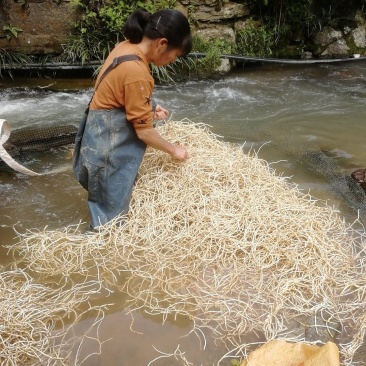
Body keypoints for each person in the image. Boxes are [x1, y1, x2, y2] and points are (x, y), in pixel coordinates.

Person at [73, 8, 192, 229]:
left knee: (103, 207)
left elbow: (118, 91)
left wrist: (151, 106)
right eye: (174, 57)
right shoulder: (138, 72)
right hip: (107, 153)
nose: (171, 62)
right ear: (162, 43)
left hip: (93, 142)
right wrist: (174, 149)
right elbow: (144, 132)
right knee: (108, 225)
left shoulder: (126, 46)